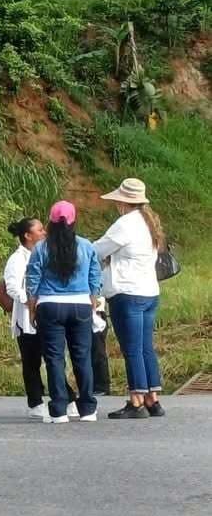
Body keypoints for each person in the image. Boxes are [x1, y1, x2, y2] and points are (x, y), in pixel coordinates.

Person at [95, 178, 166, 419]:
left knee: (132, 349)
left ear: (123, 202)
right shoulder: (149, 222)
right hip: (149, 291)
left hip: (128, 292)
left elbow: (98, 250)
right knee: (146, 347)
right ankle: (152, 399)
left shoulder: (125, 224)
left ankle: (136, 401)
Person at [26, 200, 102, 423]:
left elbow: (32, 280)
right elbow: (95, 277)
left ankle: (59, 410)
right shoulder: (86, 246)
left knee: (54, 358)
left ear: (50, 222)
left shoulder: (41, 248)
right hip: (80, 305)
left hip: (49, 305)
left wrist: (32, 308)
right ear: (73, 221)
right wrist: (92, 301)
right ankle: (88, 408)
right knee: (82, 357)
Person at [2, 217, 57, 419]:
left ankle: (66, 397)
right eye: (40, 230)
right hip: (27, 317)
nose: (44, 233)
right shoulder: (17, 259)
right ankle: (35, 402)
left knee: (54, 356)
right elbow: (13, 287)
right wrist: (30, 302)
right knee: (32, 361)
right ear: (27, 235)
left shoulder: (46, 253)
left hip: (48, 312)